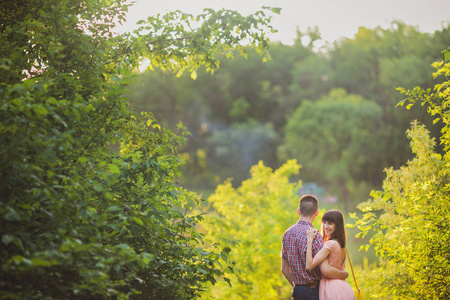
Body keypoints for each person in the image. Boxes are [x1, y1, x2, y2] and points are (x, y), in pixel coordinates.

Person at [281, 195, 349, 300]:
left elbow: (284, 269)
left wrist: (296, 286)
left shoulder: (287, 234)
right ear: (317, 213)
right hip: (314, 290)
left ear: (298, 211)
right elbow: (325, 269)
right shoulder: (315, 235)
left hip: (297, 291)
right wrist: (344, 274)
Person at [306, 209, 356, 300]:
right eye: (324, 222)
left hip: (331, 288)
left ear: (337, 226)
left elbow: (309, 265)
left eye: (330, 223)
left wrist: (309, 240)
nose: (325, 226)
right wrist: (345, 274)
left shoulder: (330, 244)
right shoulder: (342, 245)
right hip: (343, 286)